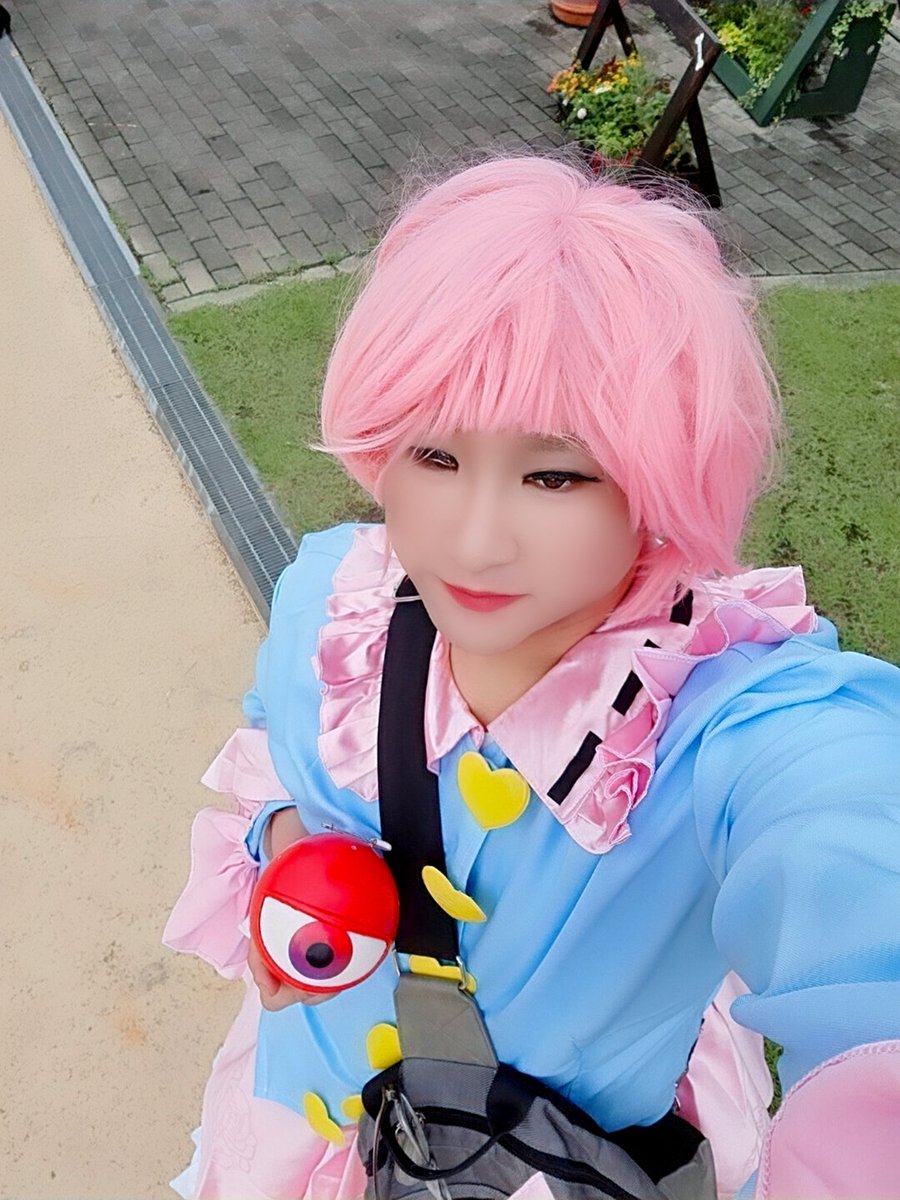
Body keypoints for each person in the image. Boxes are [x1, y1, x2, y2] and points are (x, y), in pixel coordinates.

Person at [164, 155, 900, 1200]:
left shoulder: (720, 724)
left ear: (659, 479)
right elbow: (273, 745)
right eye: (434, 456)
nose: (472, 541)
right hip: (299, 1123)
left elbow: (851, 840)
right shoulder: (331, 602)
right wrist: (287, 835)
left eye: (555, 474)